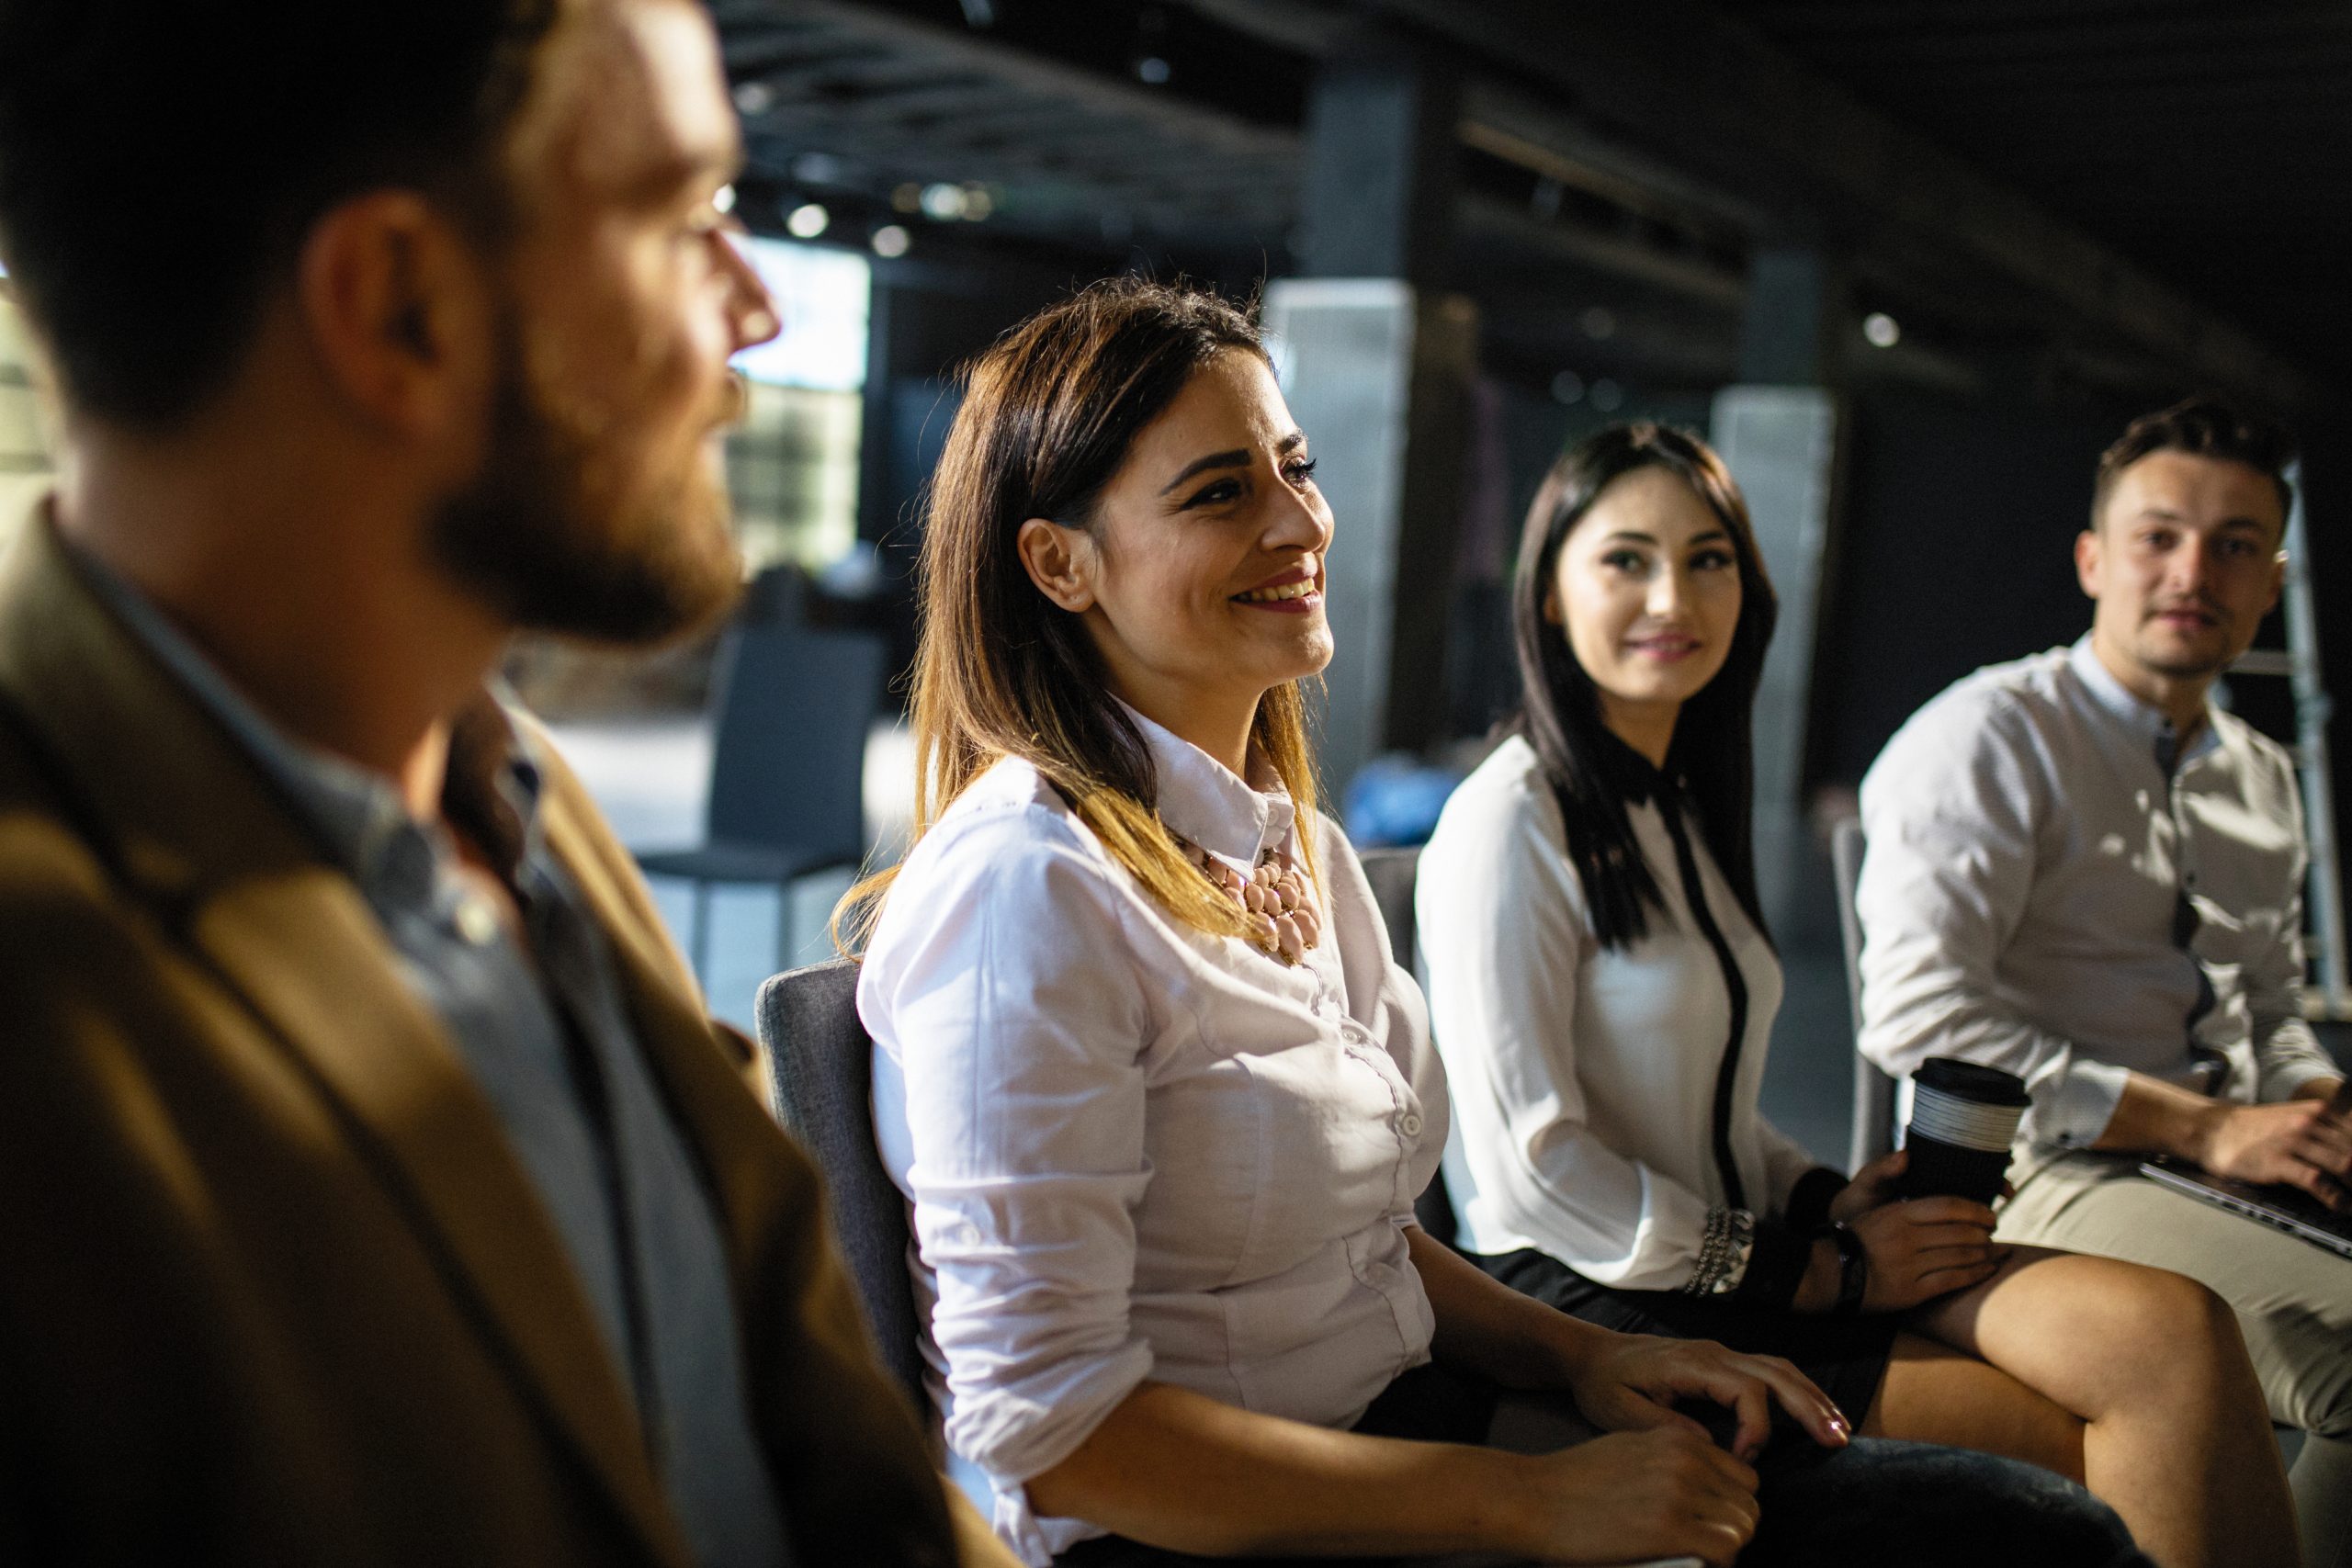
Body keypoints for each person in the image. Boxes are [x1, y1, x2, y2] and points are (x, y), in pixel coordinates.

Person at [851, 278, 2154, 1568]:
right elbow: (1059, 1438)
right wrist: (1526, 1500)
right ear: (1057, 561)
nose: (1301, 519)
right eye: (1219, 492)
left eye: (1295, 468)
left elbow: (1373, 1243)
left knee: (2042, 1525)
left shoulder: (1294, 843)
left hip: (1409, 1425)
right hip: (1213, 1527)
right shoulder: (1028, 888)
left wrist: (1599, 1357)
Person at [0, 2, 1016, 1563]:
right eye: (683, 220)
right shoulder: (53, 1006)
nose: (751, 313)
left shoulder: (513, 794)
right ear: (401, 305)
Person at [1415, 421, 2298, 1568]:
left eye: (1708, 558)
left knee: (2177, 1336)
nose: (1669, 593)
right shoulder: (1509, 818)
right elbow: (1536, 1175)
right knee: (2109, 1430)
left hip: (1733, 1258)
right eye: (1625, 558)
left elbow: (1715, 1120)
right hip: (1587, 1298)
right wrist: (1814, 1269)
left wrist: (1833, 1198)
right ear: (1547, 596)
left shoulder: (1669, 805)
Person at [1856, 396, 2352, 1566]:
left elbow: (2271, 1007)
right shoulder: (1989, 734)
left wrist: (2312, 1106)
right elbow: (1917, 1017)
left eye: (2235, 545)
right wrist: (2207, 1126)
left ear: (2270, 579)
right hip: (2035, 1172)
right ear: (2092, 558)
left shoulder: (2263, 776)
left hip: (2208, 1157)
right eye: (2159, 535)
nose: (2195, 570)